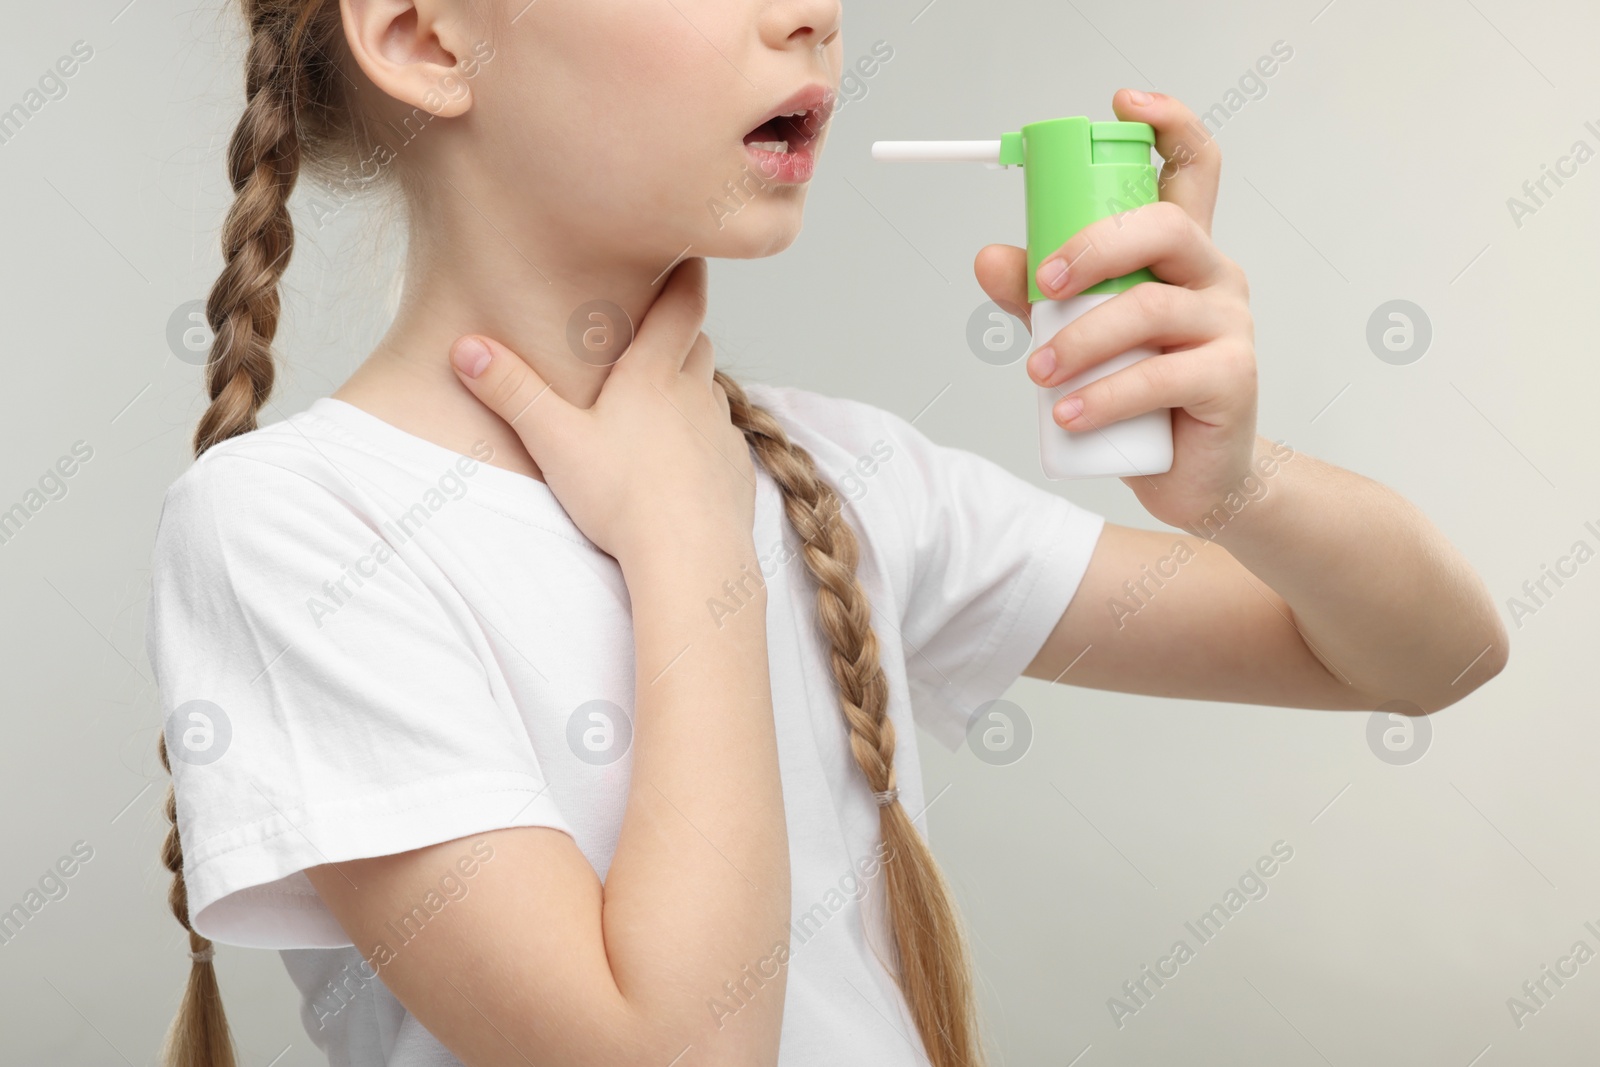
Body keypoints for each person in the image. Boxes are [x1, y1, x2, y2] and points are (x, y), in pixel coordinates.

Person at [143, 2, 1508, 1066]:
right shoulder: (300, 527)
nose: (812, 15)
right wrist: (689, 547)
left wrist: (1236, 491)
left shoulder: (847, 477)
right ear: (428, 36)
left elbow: (1426, 660)